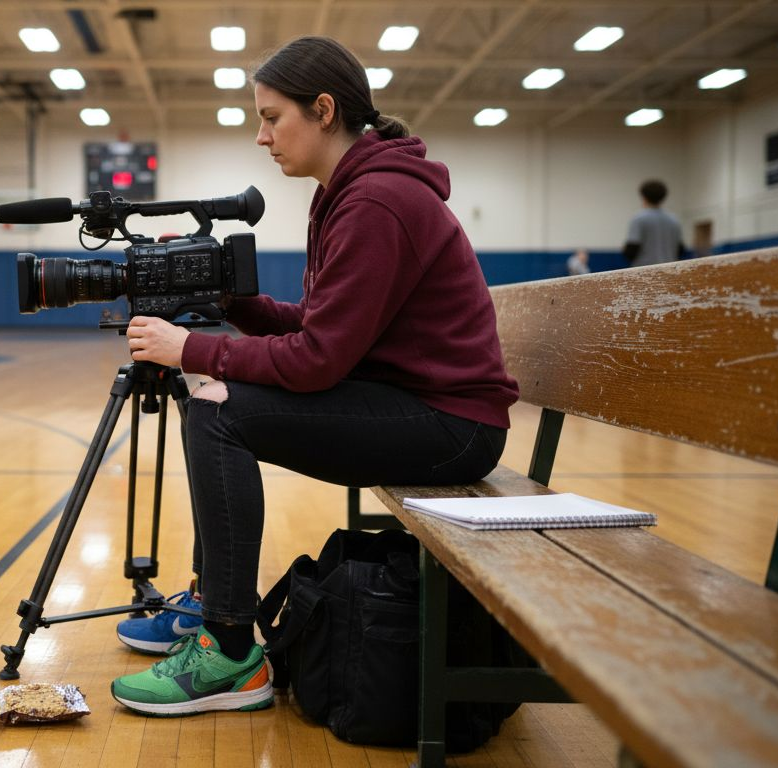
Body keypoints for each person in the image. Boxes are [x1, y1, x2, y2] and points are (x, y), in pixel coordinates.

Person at [110, 36, 518, 717]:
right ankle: (215, 612)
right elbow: (323, 327)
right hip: (412, 402)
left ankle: (231, 649)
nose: (261, 135)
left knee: (216, 406)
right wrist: (232, 307)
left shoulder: (376, 202)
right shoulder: (352, 192)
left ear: (323, 110)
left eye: (272, 117)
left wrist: (192, 349)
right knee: (212, 398)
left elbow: (317, 359)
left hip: (452, 426)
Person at [624, 180, 684, 267]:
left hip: (644, 271)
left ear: (643, 196)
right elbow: (680, 249)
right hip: (670, 270)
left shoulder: (639, 219)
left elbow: (631, 249)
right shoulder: (674, 220)